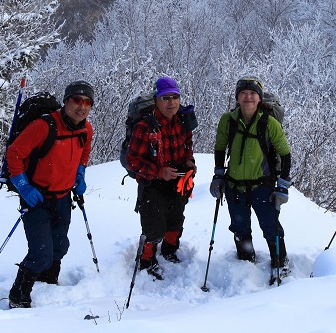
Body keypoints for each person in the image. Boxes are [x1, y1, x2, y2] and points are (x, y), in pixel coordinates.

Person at [5, 81, 94, 308]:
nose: (81, 107)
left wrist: (80, 173)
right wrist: (24, 186)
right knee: (41, 253)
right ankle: (18, 296)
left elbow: (84, 153)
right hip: (37, 198)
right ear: (65, 102)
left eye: (87, 103)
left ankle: (48, 283)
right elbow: (14, 154)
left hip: (63, 197)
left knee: (59, 246)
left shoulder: (86, 129)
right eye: (76, 101)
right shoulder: (44, 126)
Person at [210, 76, 293, 273]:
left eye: (253, 93)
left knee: (271, 227)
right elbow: (220, 148)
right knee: (240, 227)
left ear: (259, 98)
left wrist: (282, 185)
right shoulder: (227, 121)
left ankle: (280, 262)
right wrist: (219, 174)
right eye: (244, 93)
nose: (248, 97)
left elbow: (285, 154)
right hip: (234, 186)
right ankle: (245, 262)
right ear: (237, 97)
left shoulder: (269, 123)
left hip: (262, 186)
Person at [124, 76, 197, 280]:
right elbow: (133, 160)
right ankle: (146, 261)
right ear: (156, 100)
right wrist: (159, 172)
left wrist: (189, 162)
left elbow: (187, 148)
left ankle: (169, 251)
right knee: (153, 225)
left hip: (178, 180)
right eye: (165, 98)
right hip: (152, 183)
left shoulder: (183, 121)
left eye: (175, 97)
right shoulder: (146, 126)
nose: (171, 102)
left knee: (176, 219)